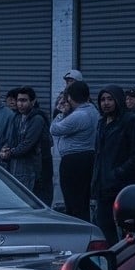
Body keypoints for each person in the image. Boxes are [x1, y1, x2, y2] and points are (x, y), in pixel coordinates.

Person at [90, 85, 135, 244]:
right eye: (103, 99)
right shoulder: (102, 123)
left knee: (128, 233)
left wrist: (120, 172)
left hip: (124, 189)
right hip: (104, 188)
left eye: (110, 99)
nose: (106, 103)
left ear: (118, 100)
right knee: (104, 229)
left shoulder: (131, 121)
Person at [50, 80, 99, 219]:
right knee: (82, 200)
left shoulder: (79, 115)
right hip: (87, 157)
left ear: (70, 98)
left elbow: (54, 129)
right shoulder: (93, 110)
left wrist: (60, 113)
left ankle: (77, 225)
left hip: (73, 161)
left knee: (72, 200)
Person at [0, 86, 46, 199]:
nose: (20, 104)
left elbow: (28, 144)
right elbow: (9, 139)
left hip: (29, 169)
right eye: (19, 100)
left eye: (24, 100)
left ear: (33, 102)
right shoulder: (16, 117)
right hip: (14, 167)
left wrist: (10, 152)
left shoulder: (37, 119)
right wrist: (4, 150)